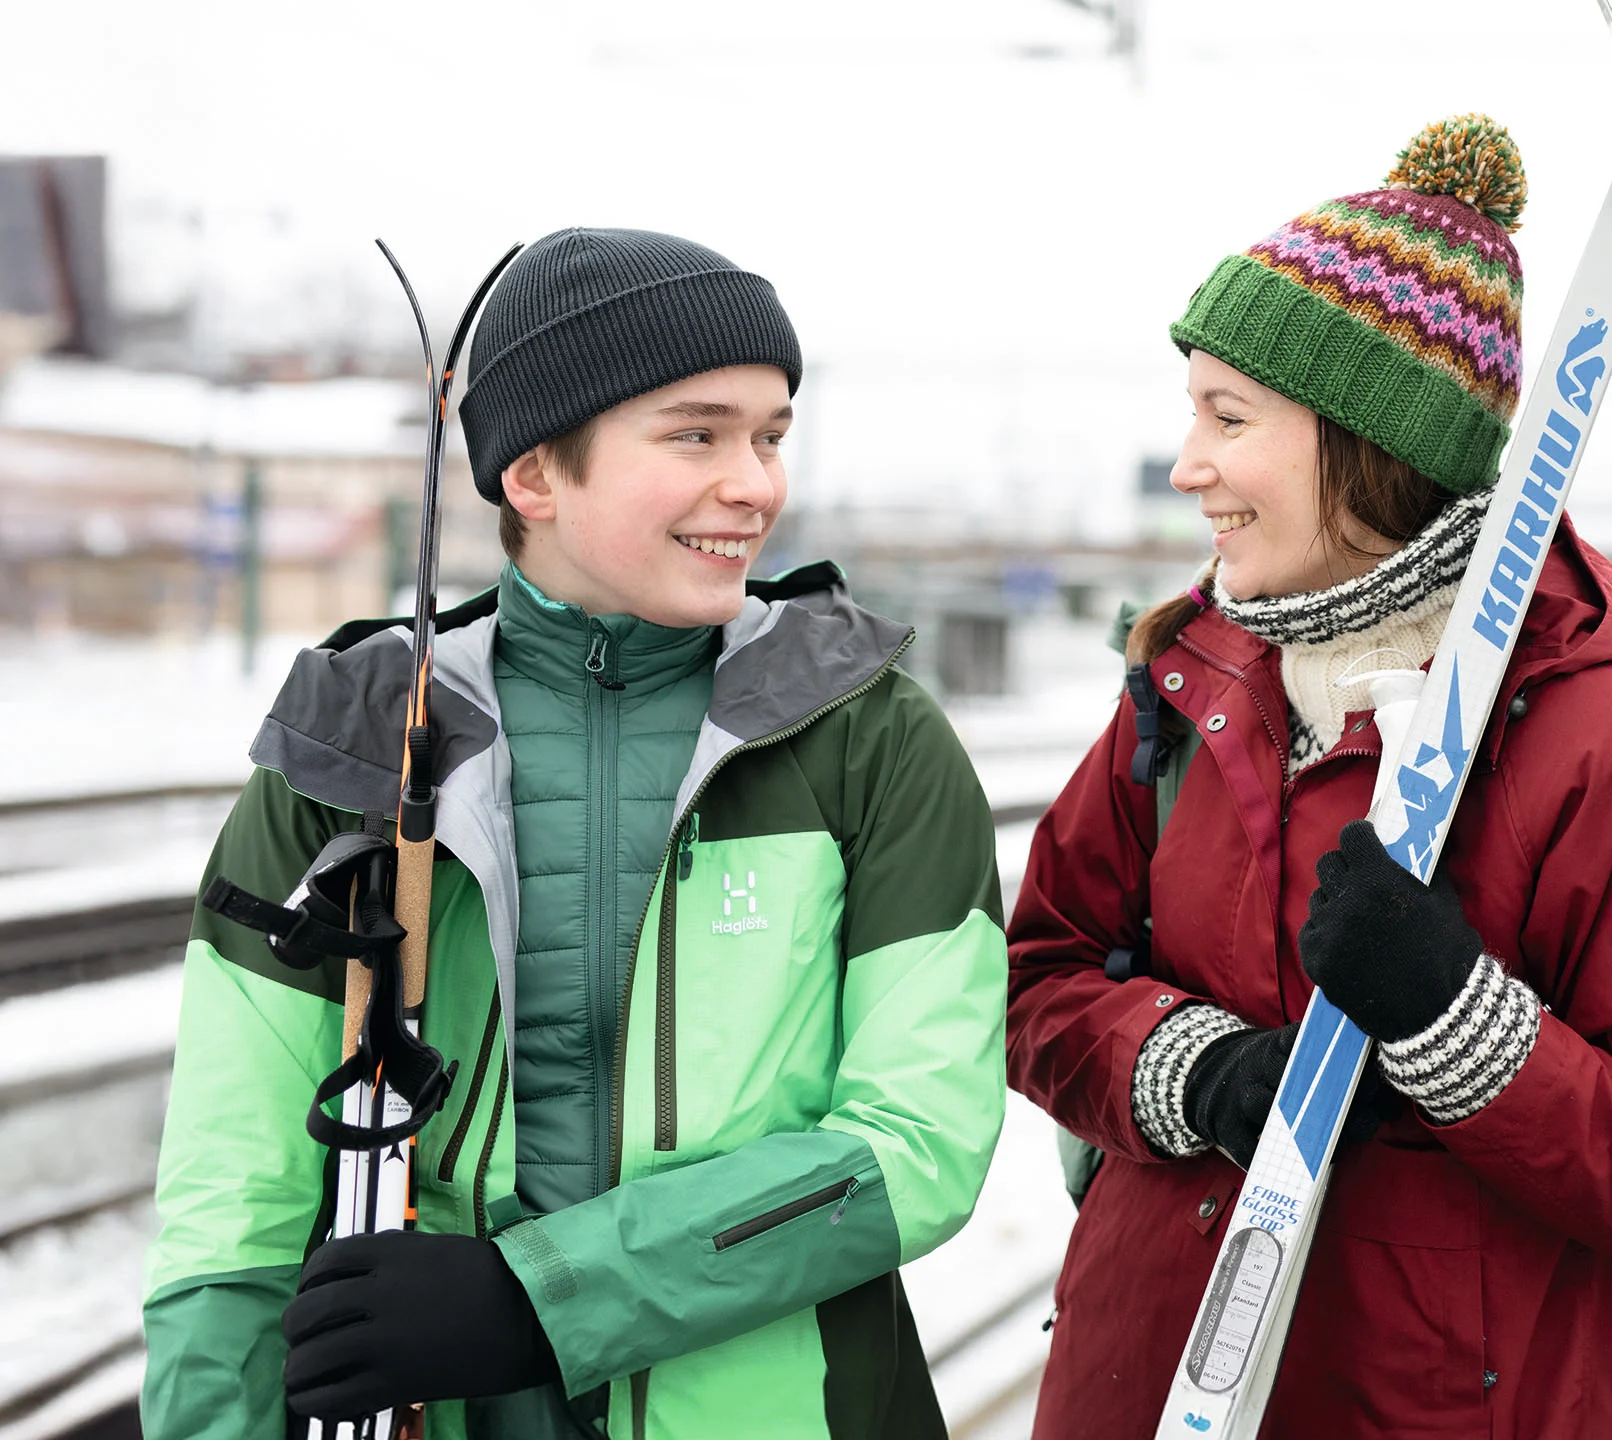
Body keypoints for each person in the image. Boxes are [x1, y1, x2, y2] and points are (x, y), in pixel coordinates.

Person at [141, 229, 1009, 1439]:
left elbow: (915, 1145)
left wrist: (539, 1300)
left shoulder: (867, 738)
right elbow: (235, 1201)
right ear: (537, 475)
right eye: (697, 434)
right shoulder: (356, 745)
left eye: (769, 435)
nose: (756, 484)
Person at [1005, 117, 1612, 1438]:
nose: (1188, 467)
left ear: (1367, 444)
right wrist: (1201, 1070)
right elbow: (1039, 976)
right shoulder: (1194, 684)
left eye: (1227, 418)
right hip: (1140, 1388)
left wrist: (1457, 1021)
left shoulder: (1610, 747)